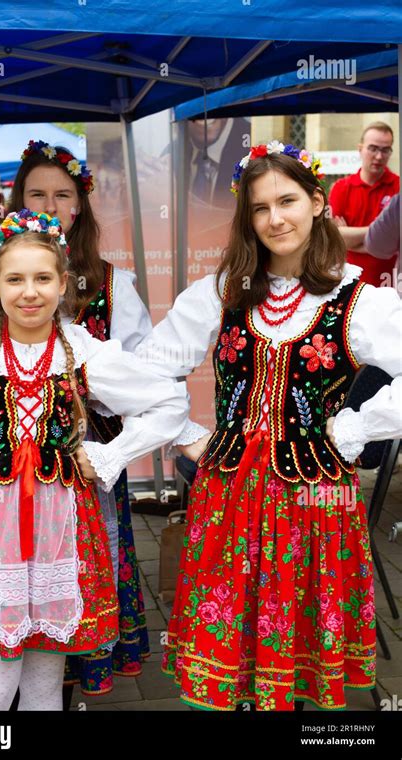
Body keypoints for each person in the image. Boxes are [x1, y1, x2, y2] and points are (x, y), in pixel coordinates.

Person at [135, 141, 402, 711]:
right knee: (230, 650)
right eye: (259, 208)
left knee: (295, 648)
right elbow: (148, 370)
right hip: (229, 494)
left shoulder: (360, 301)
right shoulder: (223, 292)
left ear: (317, 201)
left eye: (287, 201)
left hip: (316, 500)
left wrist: (354, 429)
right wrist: (186, 433)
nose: (275, 218)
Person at [0, 210, 188, 711]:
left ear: (63, 283)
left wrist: (112, 453)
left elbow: (168, 402)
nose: (30, 292)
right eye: (16, 279)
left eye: (43, 278)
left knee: (46, 684)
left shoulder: (84, 353)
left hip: (61, 532)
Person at [329, 121, 399, 287]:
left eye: (385, 150)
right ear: (360, 149)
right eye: (373, 148)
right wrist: (384, 232)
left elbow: (397, 243)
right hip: (348, 284)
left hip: (389, 286)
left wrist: (349, 236)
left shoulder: (399, 188)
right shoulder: (341, 188)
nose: (379, 156)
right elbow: (334, 238)